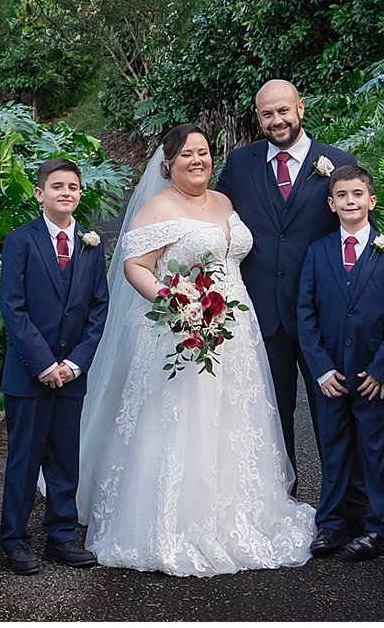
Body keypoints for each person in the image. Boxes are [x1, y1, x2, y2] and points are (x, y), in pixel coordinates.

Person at [74, 123, 315, 576]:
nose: (197, 160)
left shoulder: (224, 202)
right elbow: (136, 267)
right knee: (185, 419)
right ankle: (175, 520)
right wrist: (177, 304)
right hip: (183, 333)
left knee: (235, 418)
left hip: (238, 332)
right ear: (168, 162)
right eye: (187, 154)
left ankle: (240, 511)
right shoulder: (156, 208)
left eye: (203, 152)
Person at [218, 79, 365, 538]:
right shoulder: (240, 164)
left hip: (324, 319)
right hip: (259, 315)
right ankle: (276, 507)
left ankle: (341, 514)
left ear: (300, 108)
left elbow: (358, 240)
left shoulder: (337, 164)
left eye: (283, 111)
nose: (276, 121)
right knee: (267, 415)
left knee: (332, 415)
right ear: (257, 118)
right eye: (266, 115)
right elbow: (208, 213)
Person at [0, 158, 111, 575]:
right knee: (24, 459)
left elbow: (99, 309)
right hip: (30, 374)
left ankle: (61, 537)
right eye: (57, 186)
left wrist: (75, 363)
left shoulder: (90, 244)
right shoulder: (20, 241)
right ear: (39, 193)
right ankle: (14, 540)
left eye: (74, 187)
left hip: (71, 374)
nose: (66, 192)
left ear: (80, 194)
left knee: (65, 458)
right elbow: (14, 308)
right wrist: (45, 364)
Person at [297, 164, 384, 561]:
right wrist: (321, 368)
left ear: (371, 200)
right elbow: (305, 313)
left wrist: (382, 368)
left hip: (371, 375)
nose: (350, 202)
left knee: (375, 449)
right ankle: (331, 523)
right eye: (342, 196)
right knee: (333, 447)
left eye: (357, 195)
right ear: (331, 203)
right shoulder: (318, 252)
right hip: (332, 373)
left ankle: (380, 526)